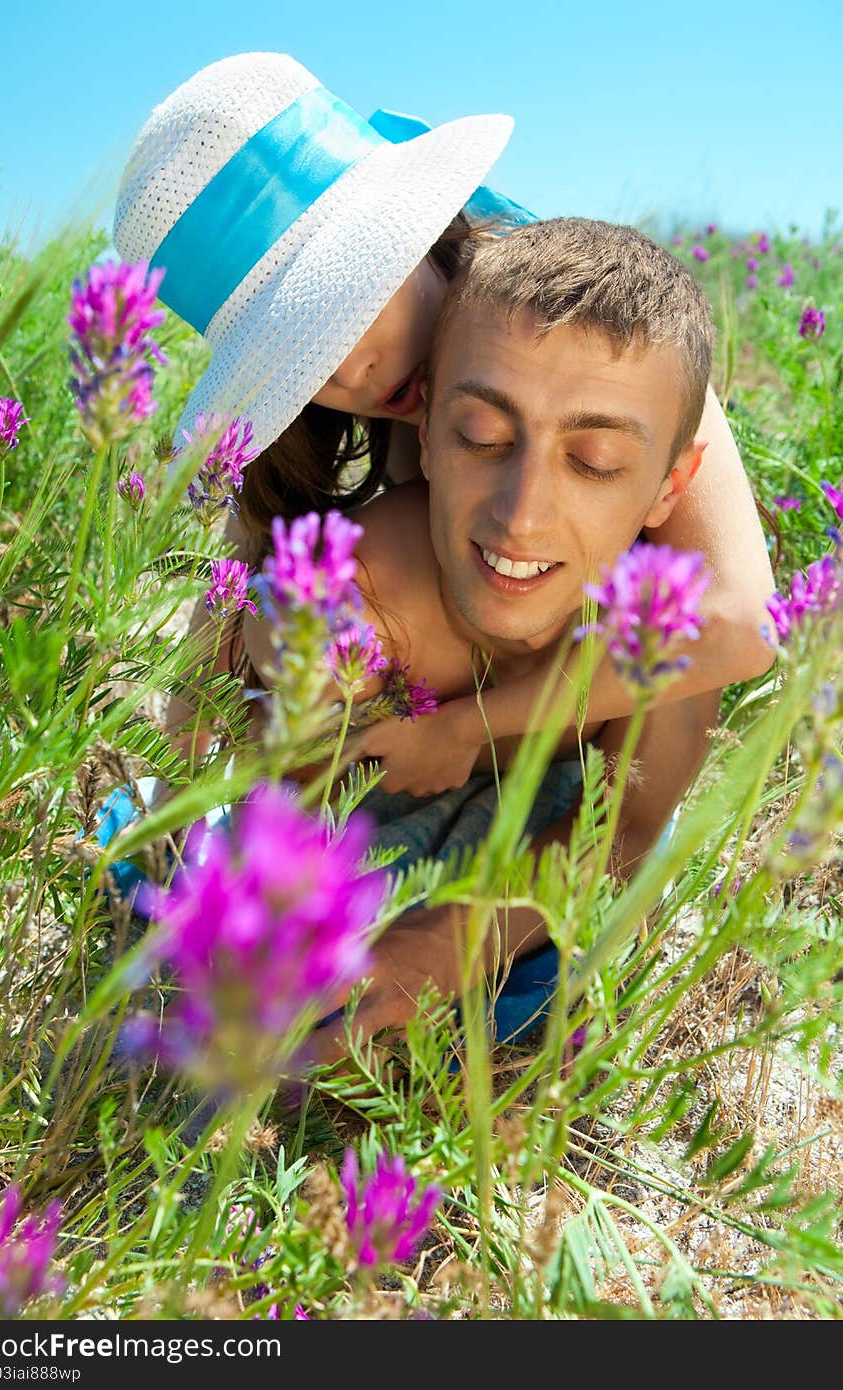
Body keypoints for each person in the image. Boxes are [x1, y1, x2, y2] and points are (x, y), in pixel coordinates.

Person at [112, 52, 774, 794]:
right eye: (298, 356)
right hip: (445, 689)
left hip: (613, 698)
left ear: (416, 235)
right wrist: (173, 795)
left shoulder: (592, 327)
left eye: (348, 308)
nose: (348, 372)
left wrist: (465, 729)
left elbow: (740, 620)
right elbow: (230, 592)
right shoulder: (337, 406)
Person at [242, 216, 748, 1059]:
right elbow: (290, 812)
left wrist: (441, 949)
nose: (521, 515)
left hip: (547, 872)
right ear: (428, 431)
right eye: (483, 437)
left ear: (670, 486)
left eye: (592, 460)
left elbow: (626, 826)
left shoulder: (669, 630)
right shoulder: (363, 595)